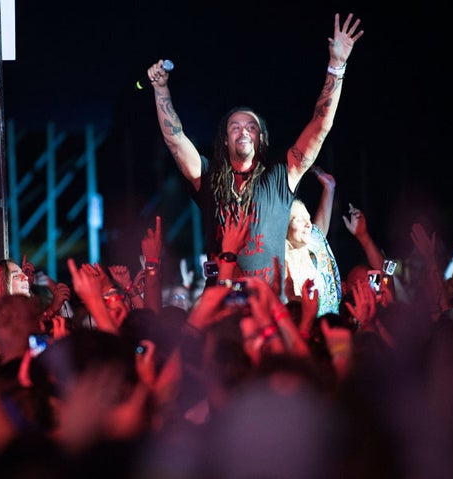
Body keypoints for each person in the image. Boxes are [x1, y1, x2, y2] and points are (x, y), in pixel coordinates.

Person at [146, 12, 364, 285]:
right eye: (235, 127)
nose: (244, 130)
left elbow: (320, 126)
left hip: (269, 311)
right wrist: (161, 89)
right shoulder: (209, 177)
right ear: (225, 139)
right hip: (220, 309)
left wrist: (337, 64)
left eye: (251, 127)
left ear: (260, 138)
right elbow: (175, 140)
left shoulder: (278, 178)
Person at [284, 166, 342, 315]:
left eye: (308, 219)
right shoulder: (279, 258)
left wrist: (329, 188)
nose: (308, 224)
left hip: (330, 324)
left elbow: (319, 229)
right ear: (283, 226)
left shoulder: (313, 243)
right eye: (299, 220)